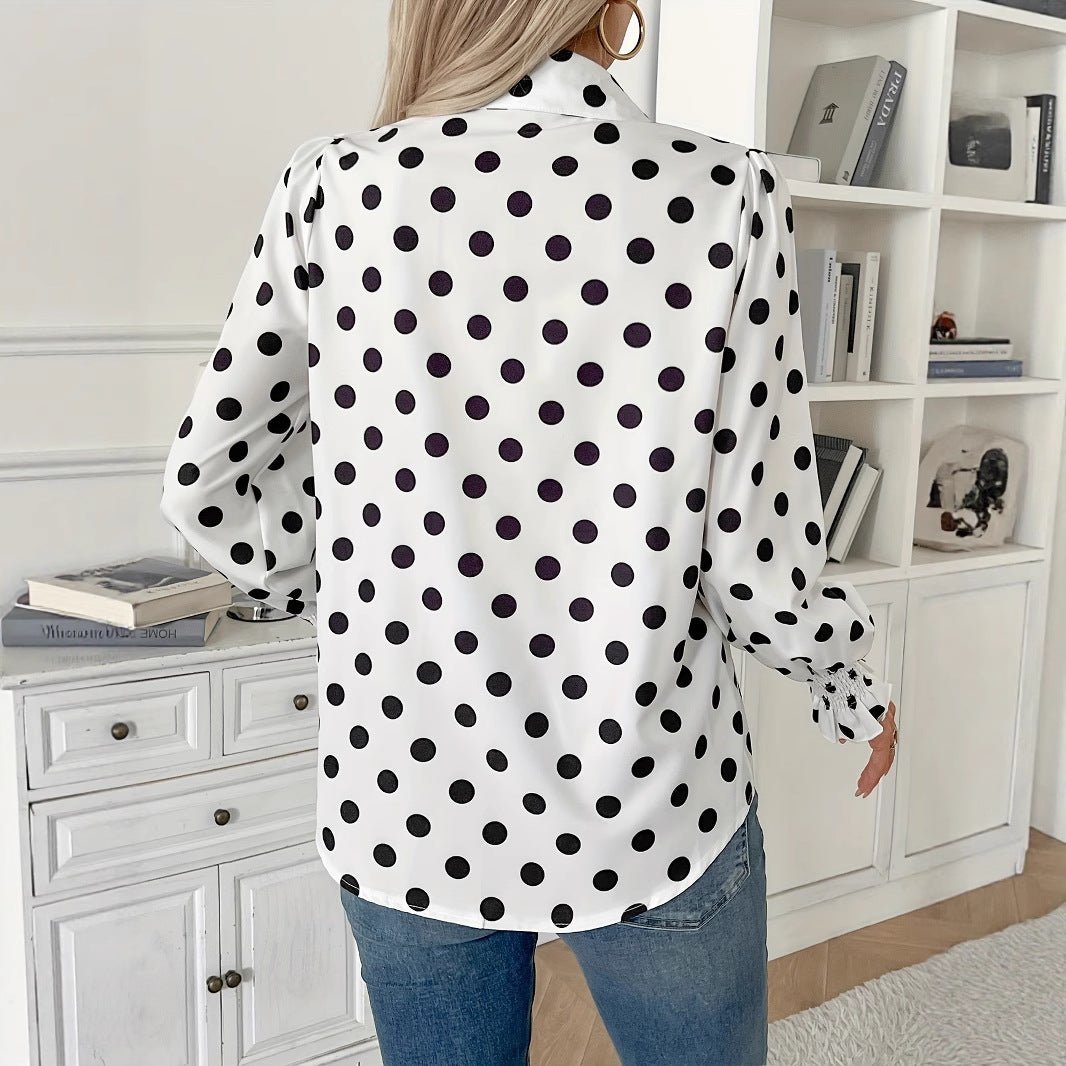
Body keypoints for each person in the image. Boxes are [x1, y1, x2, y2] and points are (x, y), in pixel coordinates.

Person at [159, 1, 898, 1062]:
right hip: (650, 788)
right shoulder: (721, 194)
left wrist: (337, 580)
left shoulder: (335, 188)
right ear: (614, 11)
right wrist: (845, 679)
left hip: (408, 794)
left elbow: (209, 481)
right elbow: (758, 558)